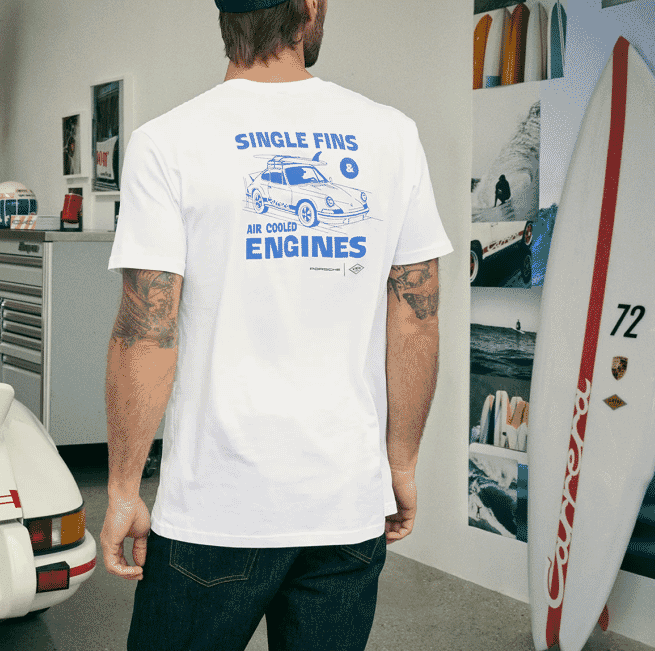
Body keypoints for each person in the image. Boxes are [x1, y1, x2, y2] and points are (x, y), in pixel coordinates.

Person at [100, 1, 453, 650]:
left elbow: (147, 329)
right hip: (344, 504)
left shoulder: (168, 142)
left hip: (216, 504)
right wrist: (400, 461)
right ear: (310, 7)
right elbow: (417, 318)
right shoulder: (391, 135)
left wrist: (123, 485)